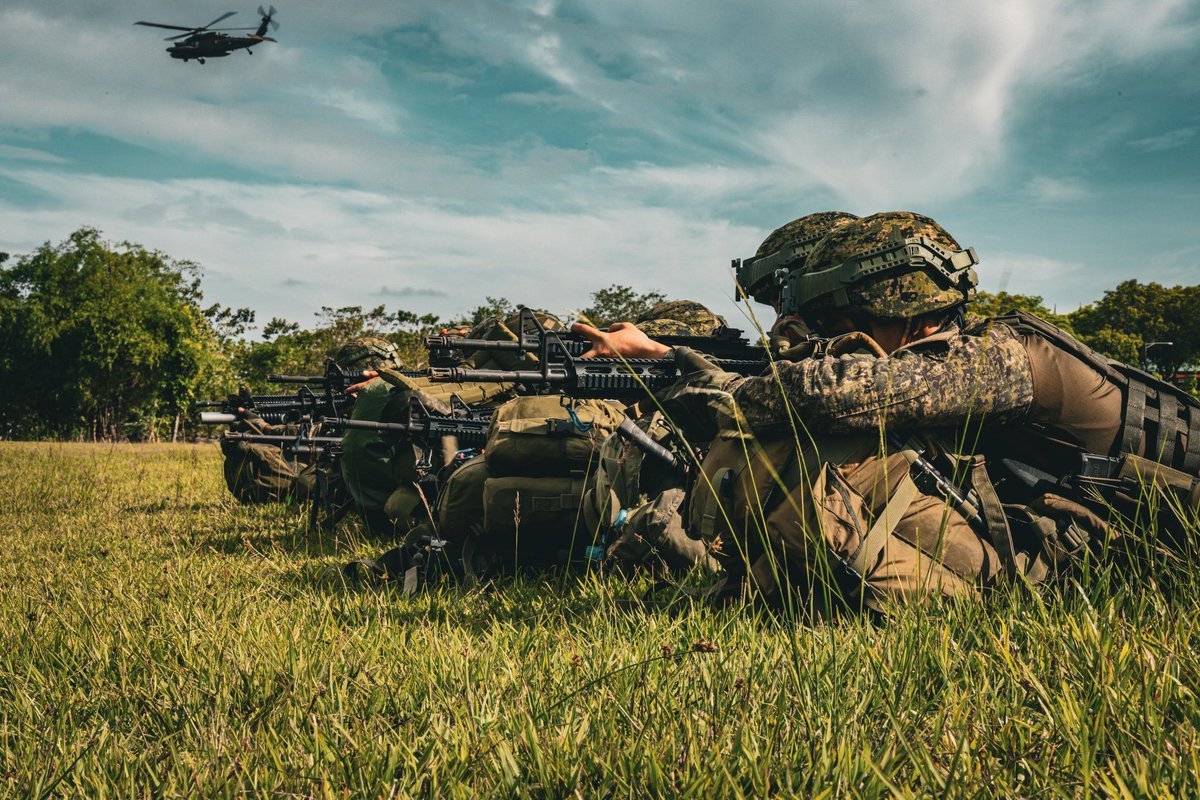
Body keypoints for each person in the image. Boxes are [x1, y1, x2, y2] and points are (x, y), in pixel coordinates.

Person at [575, 211, 1199, 613]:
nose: (833, 337)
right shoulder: (966, 347)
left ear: (896, 302)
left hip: (1141, 550)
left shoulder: (1012, 356)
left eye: (844, 323)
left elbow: (835, 394)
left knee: (815, 452)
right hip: (1075, 536)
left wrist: (713, 393)